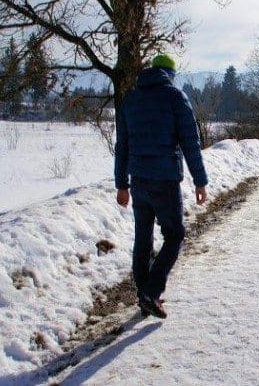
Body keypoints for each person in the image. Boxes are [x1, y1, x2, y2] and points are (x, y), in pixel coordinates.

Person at [114, 53, 208, 319]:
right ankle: (151, 293)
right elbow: (190, 142)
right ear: (170, 74)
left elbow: (122, 147)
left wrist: (122, 184)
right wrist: (200, 180)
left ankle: (145, 293)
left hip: (138, 181)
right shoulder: (175, 97)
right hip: (165, 180)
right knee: (175, 234)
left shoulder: (130, 101)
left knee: (143, 239)